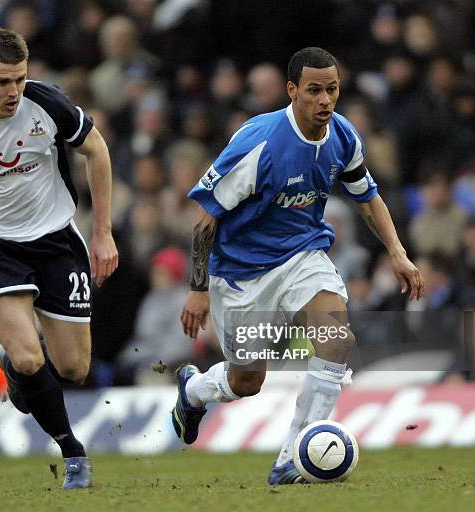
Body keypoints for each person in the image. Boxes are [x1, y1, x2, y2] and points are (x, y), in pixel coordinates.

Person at [172, 47, 424, 485]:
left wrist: (398, 253)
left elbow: (367, 197)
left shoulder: (343, 137)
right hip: (240, 274)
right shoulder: (260, 143)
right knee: (247, 381)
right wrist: (197, 289)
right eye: (314, 91)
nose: (325, 100)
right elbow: (204, 218)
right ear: (292, 91)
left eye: (332, 89)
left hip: (302, 256)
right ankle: (193, 390)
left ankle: (293, 455)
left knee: (336, 337)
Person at [0, 28, 118, 489]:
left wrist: (102, 231)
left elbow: (97, 150)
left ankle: (10, 365)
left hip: (56, 241)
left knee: (73, 368)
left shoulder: (47, 104)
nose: (14, 91)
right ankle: (72, 451)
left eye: (19, 79)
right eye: (2, 82)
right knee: (34, 360)